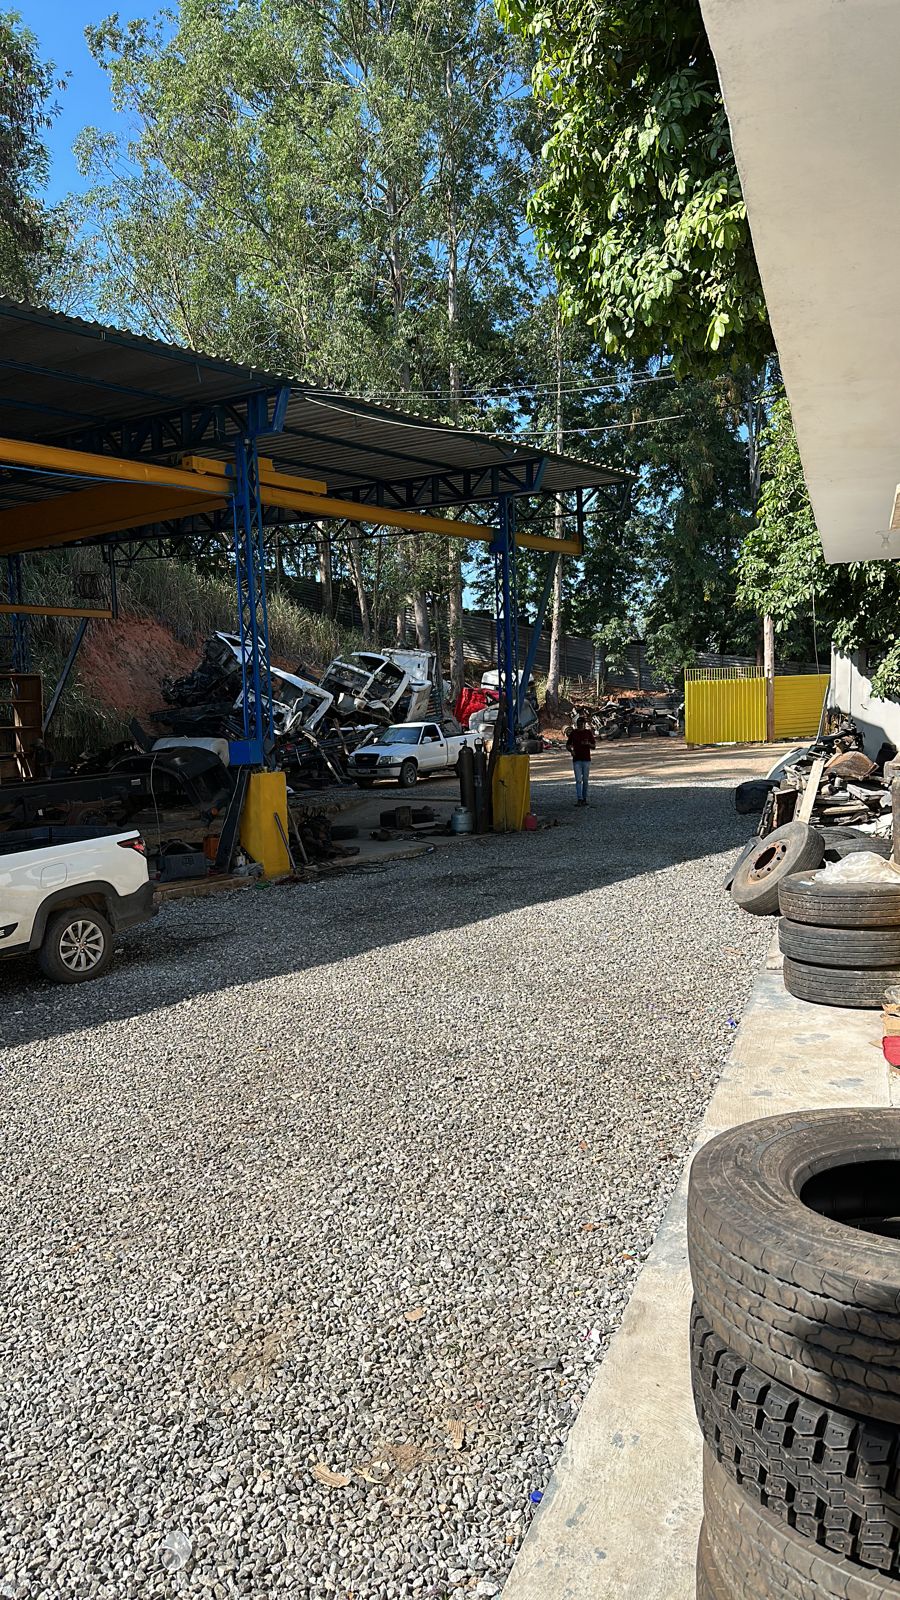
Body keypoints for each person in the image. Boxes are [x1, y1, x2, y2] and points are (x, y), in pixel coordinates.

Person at [566, 714, 596, 806]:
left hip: (586, 759)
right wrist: (571, 751)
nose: (580, 725)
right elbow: (568, 745)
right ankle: (579, 798)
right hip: (577, 759)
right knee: (578, 780)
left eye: (582, 724)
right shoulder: (573, 733)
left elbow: (594, 746)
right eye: (579, 724)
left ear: (584, 724)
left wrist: (588, 744)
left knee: (585, 780)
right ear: (577, 724)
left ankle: (584, 798)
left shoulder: (588, 733)